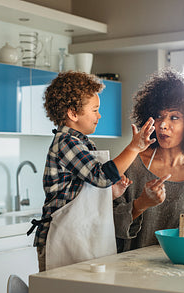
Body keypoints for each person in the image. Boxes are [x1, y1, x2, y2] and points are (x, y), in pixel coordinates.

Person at [29, 71, 156, 272]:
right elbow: (101, 176)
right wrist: (134, 147)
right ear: (73, 113)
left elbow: (89, 186)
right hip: (59, 237)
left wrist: (110, 193)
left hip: (78, 236)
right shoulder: (66, 143)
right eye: (95, 110)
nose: (99, 115)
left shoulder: (83, 143)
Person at [113, 68, 184, 253]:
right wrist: (141, 203)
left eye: (174, 117)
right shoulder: (132, 162)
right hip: (127, 267)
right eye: (158, 116)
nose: (162, 125)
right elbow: (107, 223)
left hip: (177, 268)